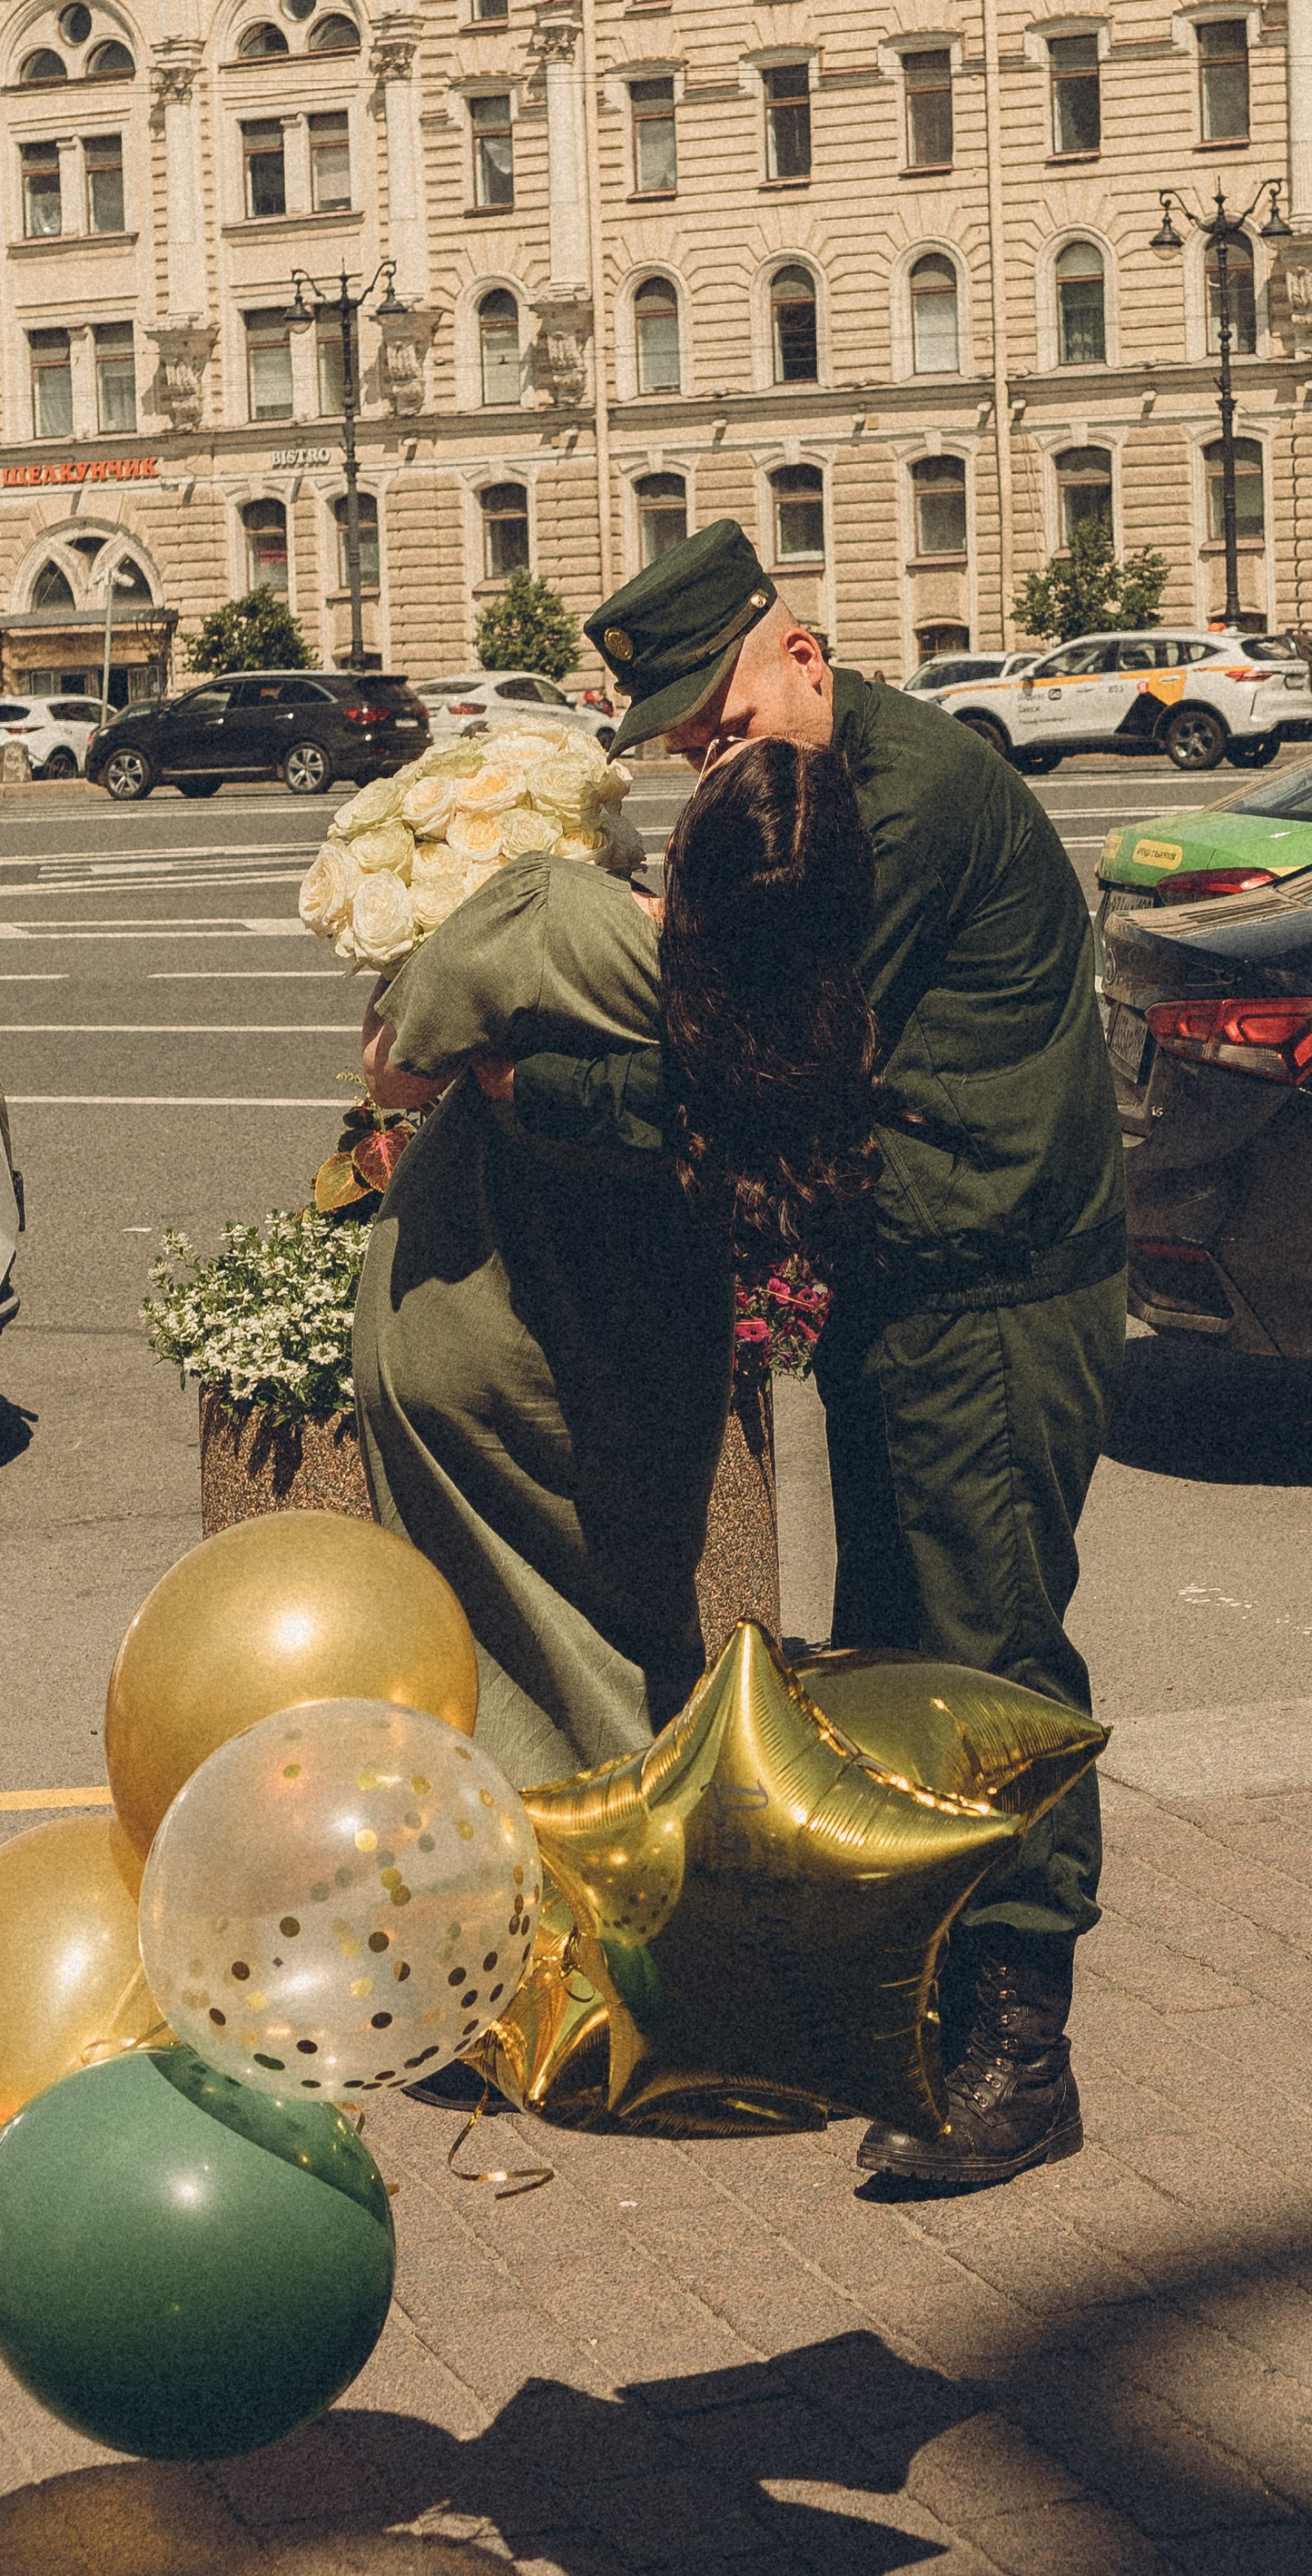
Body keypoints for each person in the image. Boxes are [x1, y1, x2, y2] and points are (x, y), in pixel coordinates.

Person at [516, 520, 1128, 2192]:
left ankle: (1021, 2046)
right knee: (903, 1653)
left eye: (721, 728)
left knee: (992, 1660)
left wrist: (522, 1092)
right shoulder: (821, 787)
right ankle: (925, 2003)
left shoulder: (905, 805)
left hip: (992, 1294)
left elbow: (752, 1071)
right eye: (689, 751)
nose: (710, 766)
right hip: (911, 1282)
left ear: (802, 651)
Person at [351, 745, 878, 1791]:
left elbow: (396, 1075)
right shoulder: (799, 1033)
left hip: (476, 1339)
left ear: (684, 856)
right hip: (654, 1356)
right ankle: (652, 1859)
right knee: (634, 1640)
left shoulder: (549, 916)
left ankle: (539, 1886)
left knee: (484, 1659)